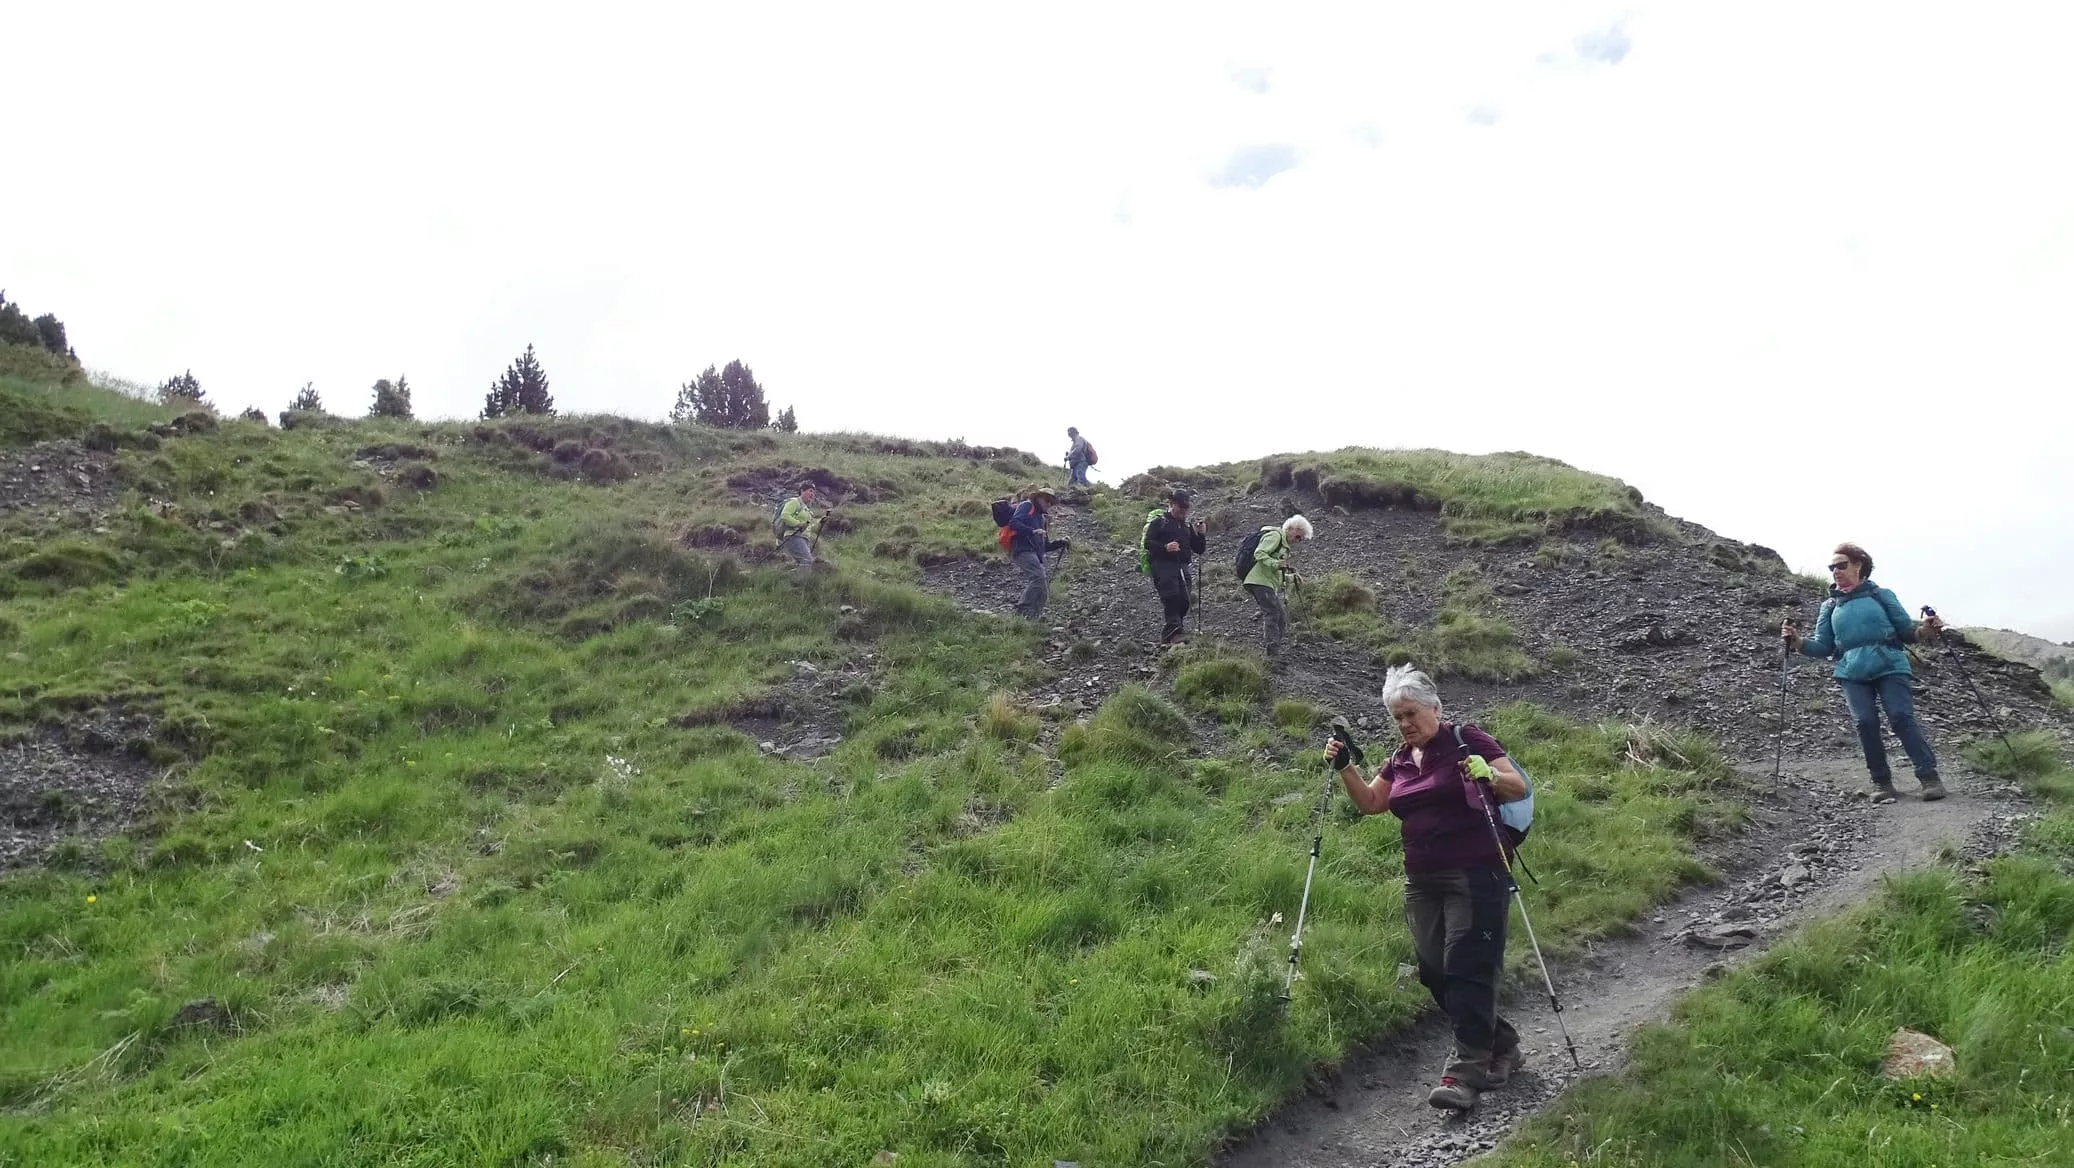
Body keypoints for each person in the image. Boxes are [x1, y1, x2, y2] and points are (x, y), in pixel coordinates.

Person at [1323, 664, 1531, 1112]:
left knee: (1467, 966)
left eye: (1411, 714)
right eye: (1397, 717)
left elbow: (1517, 788)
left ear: (1435, 708)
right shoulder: (1399, 759)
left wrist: (1489, 775)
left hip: (1475, 872)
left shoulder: (1467, 740)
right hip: (1422, 879)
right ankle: (1502, 1044)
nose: (1405, 724)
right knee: (1434, 971)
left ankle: (1465, 1073)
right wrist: (1345, 767)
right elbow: (1372, 803)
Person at [1783, 542, 1947, 802]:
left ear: (1858, 565)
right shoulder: (1829, 606)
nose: (1835, 571)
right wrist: (1798, 642)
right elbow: (1824, 646)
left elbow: (1908, 633)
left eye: (1841, 565)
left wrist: (1926, 629)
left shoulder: (1882, 595)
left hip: (1890, 665)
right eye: (1831, 567)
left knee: (1900, 716)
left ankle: (1929, 777)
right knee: (1865, 722)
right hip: (1851, 671)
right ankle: (1882, 783)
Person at [1143, 487, 1205, 643]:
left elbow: (1199, 549)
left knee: (1185, 599)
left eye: (1186, 507)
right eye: (1181, 506)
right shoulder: (1159, 522)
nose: (1184, 510)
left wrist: (1201, 534)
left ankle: (1173, 631)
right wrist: (1165, 547)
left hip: (1182, 566)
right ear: (1171, 504)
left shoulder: (1187, 526)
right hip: (1162, 564)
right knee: (1171, 595)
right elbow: (1148, 543)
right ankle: (1174, 632)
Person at [1243, 514, 1311, 653]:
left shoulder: (1284, 546)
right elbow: (1259, 553)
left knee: (1281, 618)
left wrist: (1290, 576)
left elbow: (1275, 570)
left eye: (1301, 539)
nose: (1298, 540)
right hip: (1259, 580)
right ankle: (1272, 650)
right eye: (1298, 536)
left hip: (1266, 582)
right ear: (1291, 528)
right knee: (1273, 613)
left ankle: (1274, 649)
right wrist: (1276, 563)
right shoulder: (1275, 536)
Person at [1006, 487, 1068, 619]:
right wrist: (1032, 531)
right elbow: (1014, 522)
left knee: (1042, 586)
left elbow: (1045, 546)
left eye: (1051, 502)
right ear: (1038, 498)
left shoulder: (1042, 519)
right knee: (1038, 578)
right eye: (1047, 500)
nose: (1049, 504)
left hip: (1034, 553)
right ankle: (1022, 613)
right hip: (1022, 549)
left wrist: (1060, 542)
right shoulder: (1027, 505)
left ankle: (1033, 618)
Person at [776, 483, 821, 571]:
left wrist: (820, 522)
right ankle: (801, 580)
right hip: (793, 536)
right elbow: (785, 515)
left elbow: (809, 526)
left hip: (804, 539)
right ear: (802, 491)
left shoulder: (807, 509)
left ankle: (783, 577)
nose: (812, 494)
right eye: (810, 491)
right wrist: (798, 524)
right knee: (806, 561)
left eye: (814, 493)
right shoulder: (794, 502)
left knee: (803, 562)